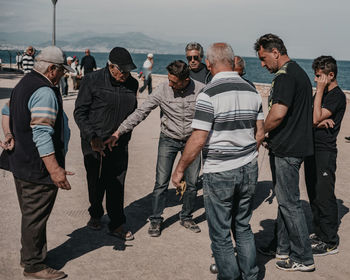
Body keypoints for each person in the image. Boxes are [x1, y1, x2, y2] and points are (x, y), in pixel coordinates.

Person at [172, 43, 264, 280]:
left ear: (209, 65)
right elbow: (260, 133)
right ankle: (251, 275)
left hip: (220, 170)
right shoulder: (252, 91)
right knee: (242, 226)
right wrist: (244, 152)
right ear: (233, 62)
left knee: (221, 233)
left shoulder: (208, 94)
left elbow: (199, 137)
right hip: (249, 167)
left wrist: (180, 168)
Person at [105, 60, 205, 237]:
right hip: (168, 139)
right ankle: (156, 219)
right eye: (169, 80)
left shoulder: (202, 90)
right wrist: (119, 132)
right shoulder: (162, 89)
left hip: (192, 141)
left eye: (174, 82)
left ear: (186, 79)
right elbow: (141, 112)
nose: (170, 84)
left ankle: (186, 216)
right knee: (161, 182)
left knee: (191, 183)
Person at [0, 46, 73, 279]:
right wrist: (55, 170)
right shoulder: (45, 91)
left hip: (20, 163)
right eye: (62, 71)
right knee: (35, 216)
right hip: (36, 169)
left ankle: (31, 256)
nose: (63, 75)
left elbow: (6, 111)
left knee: (31, 214)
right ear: (52, 68)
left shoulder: (24, 83)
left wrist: (9, 135)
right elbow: (42, 133)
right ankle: (34, 265)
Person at [254, 33, 315, 272]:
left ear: (275, 52)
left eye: (263, 58)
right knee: (285, 202)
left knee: (290, 204)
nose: (261, 63)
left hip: (288, 150)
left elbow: (278, 113)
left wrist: (261, 132)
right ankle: (282, 247)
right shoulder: (296, 72)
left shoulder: (286, 76)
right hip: (290, 146)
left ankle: (303, 257)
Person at [74, 47, 138, 240]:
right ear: (111, 67)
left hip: (118, 142)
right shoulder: (91, 80)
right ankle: (95, 213)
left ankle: (116, 224)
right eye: (123, 71)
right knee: (95, 180)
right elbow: (80, 112)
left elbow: (132, 115)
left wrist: (122, 136)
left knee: (117, 182)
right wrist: (92, 137)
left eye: (129, 71)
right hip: (94, 141)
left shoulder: (132, 84)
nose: (126, 75)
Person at [304, 56, 346, 256]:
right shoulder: (323, 93)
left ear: (331, 75)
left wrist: (319, 93)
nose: (315, 80)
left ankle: (330, 241)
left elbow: (314, 116)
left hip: (325, 151)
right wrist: (317, 122)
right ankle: (319, 232)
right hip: (312, 149)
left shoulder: (336, 96)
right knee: (313, 193)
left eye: (319, 76)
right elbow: (310, 117)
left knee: (325, 196)